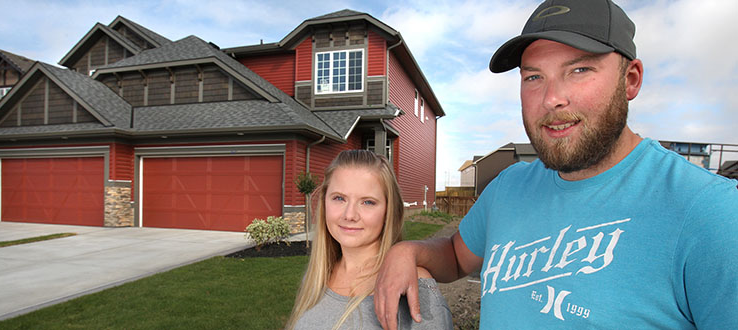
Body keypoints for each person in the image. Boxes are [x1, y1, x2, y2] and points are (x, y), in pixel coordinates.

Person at [373, 0, 738, 329]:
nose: (551, 99)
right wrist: (409, 251)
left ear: (630, 80)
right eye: (534, 77)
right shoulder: (508, 186)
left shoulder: (711, 213)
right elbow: (455, 256)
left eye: (579, 70)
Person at [286, 149, 453, 330]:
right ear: (324, 202)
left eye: (367, 202)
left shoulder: (415, 288)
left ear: (390, 211)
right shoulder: (317, 276)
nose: (349, 215)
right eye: (339, 198)